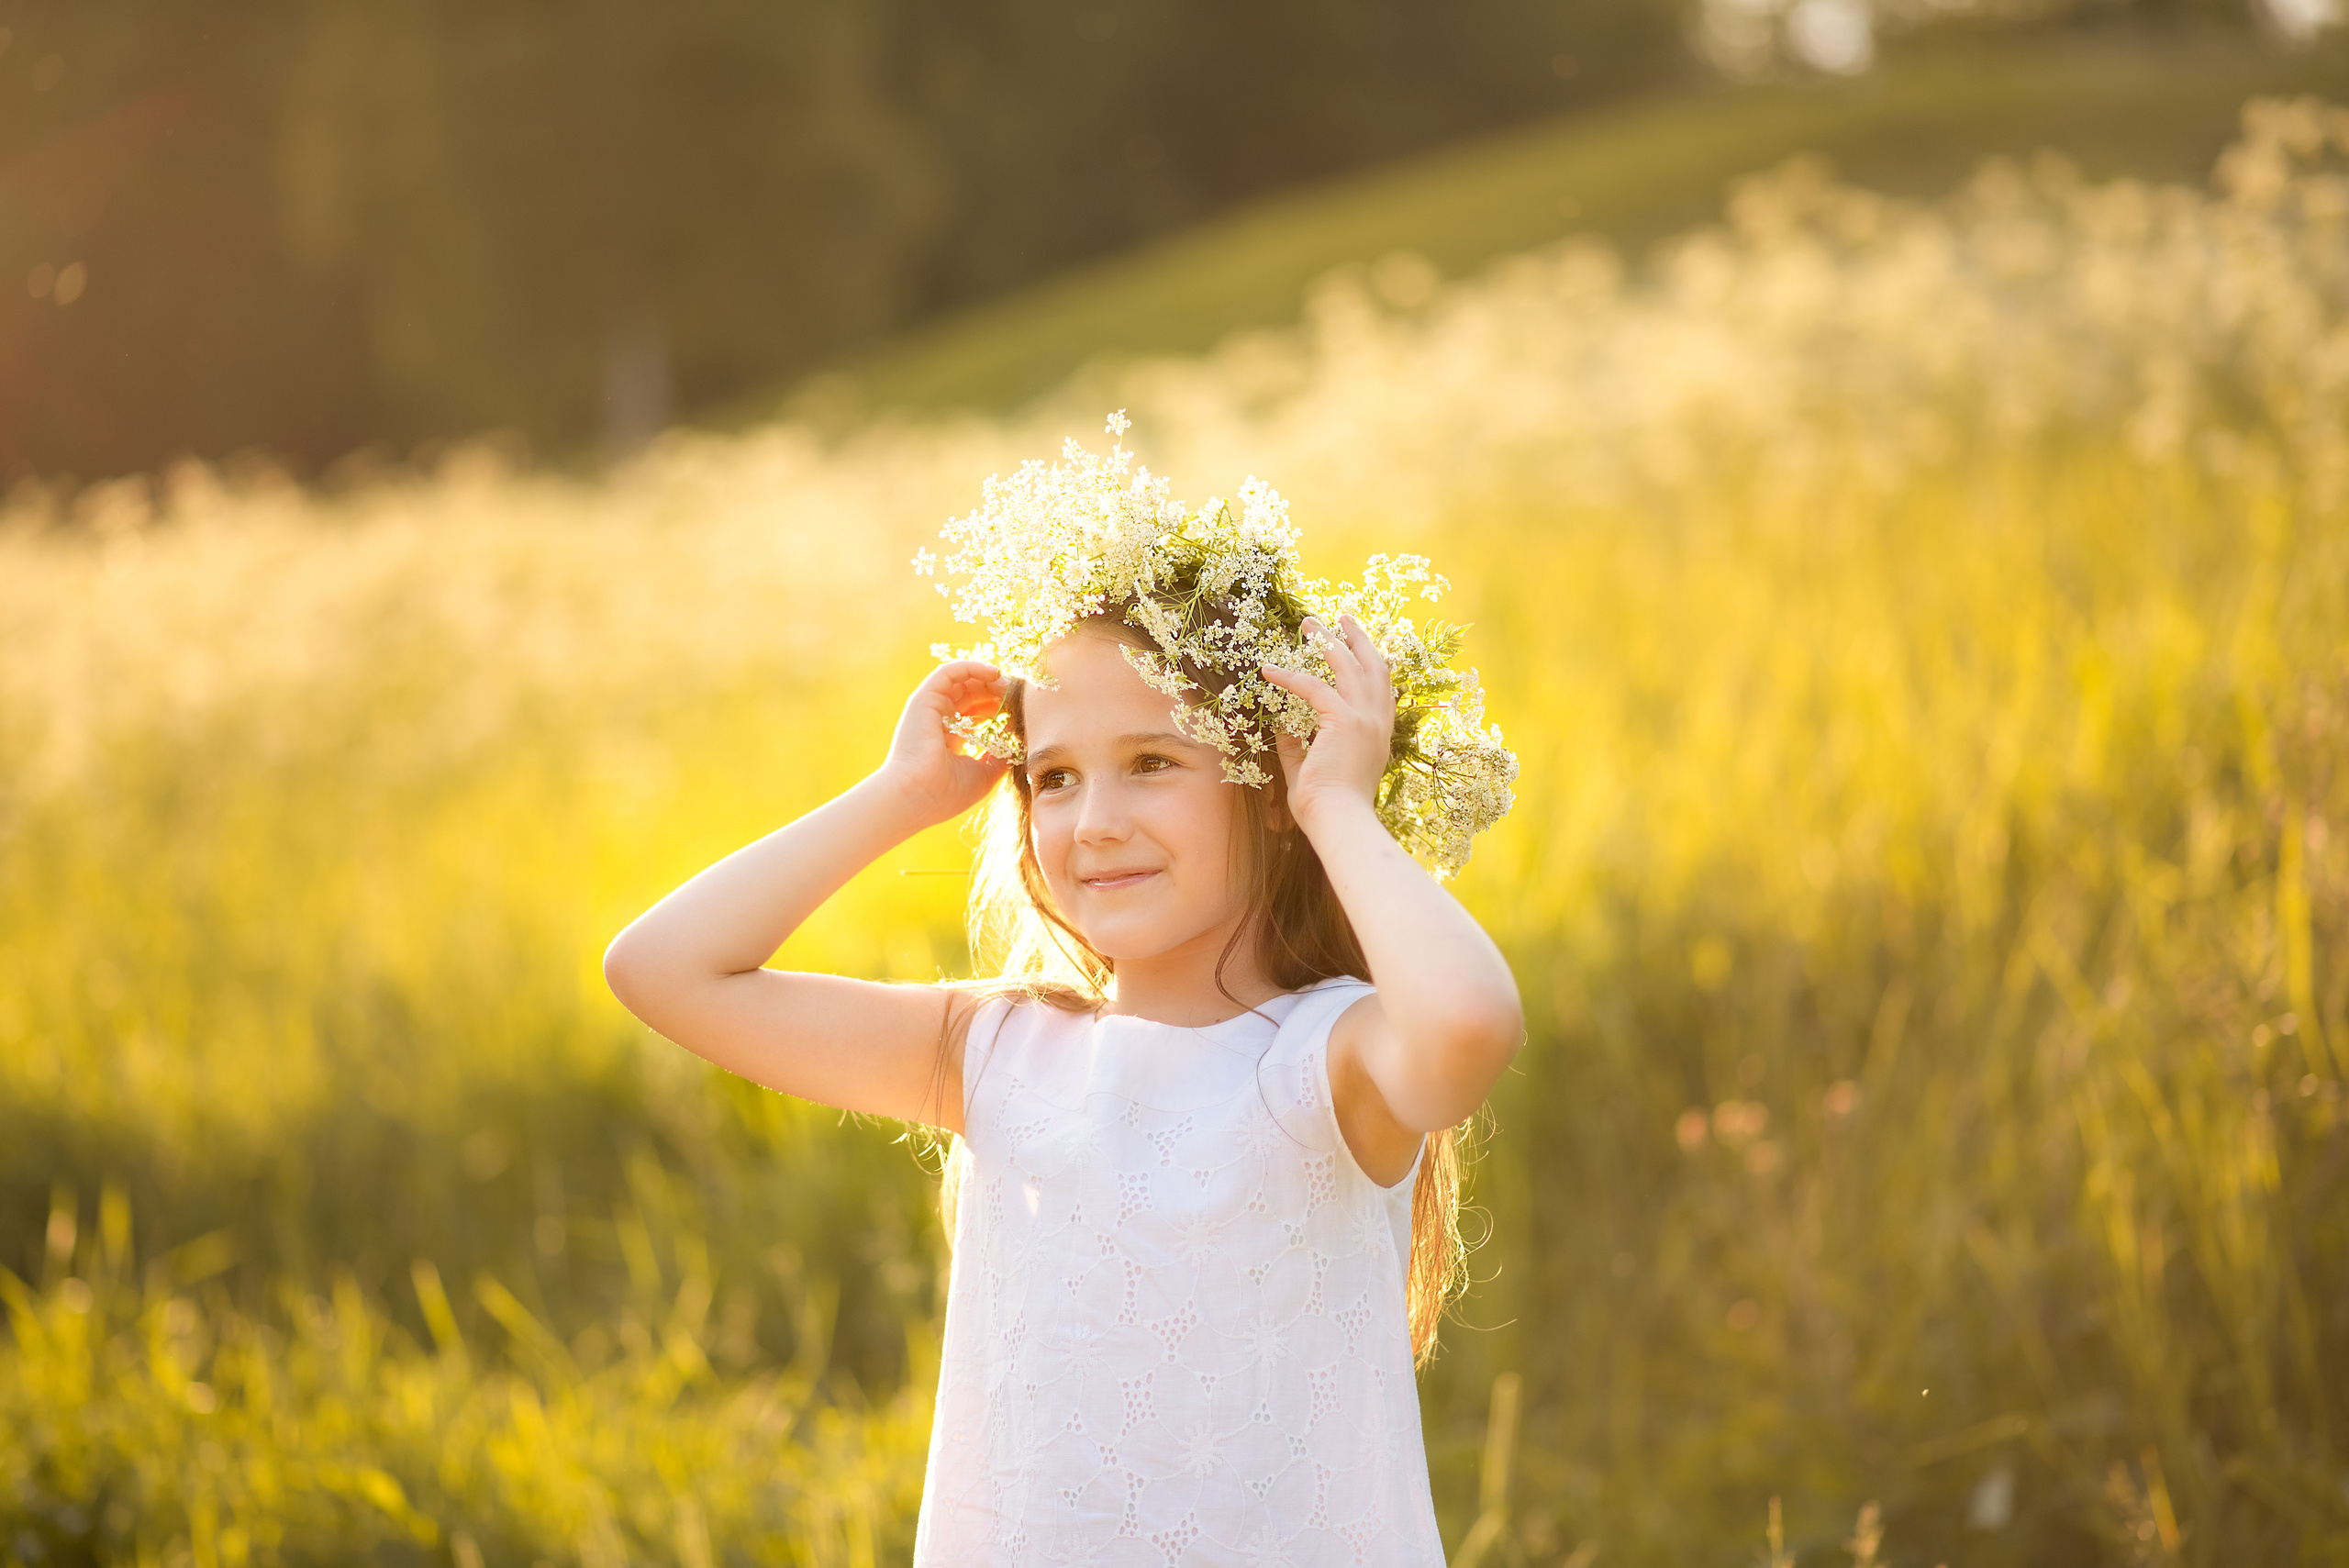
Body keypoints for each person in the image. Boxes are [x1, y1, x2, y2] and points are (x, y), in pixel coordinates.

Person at [604, 421, 1522, 1564]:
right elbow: (660, 968)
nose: (1093, 822)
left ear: (1265, 784)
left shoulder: (1326, 1060)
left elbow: (1471, 1022)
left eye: (1153, 762)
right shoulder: (994, 1050)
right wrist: (900, 792)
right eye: (1052, 777)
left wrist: (1338, 803)